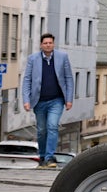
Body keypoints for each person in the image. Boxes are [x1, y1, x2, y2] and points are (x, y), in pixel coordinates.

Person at [22, 33, 74, 168]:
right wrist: (26, 99)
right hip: (39, 101)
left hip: (56, 100)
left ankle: (50, 158)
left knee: (52, 126)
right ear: (41, 45)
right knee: (41, 130)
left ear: (53, 44)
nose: (48, 45)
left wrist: (69, 99)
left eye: (50, 43)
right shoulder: (33, 59)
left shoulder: (62, 57)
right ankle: (43, 156)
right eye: (45, 43)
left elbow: (69, 78)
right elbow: (27, 79)